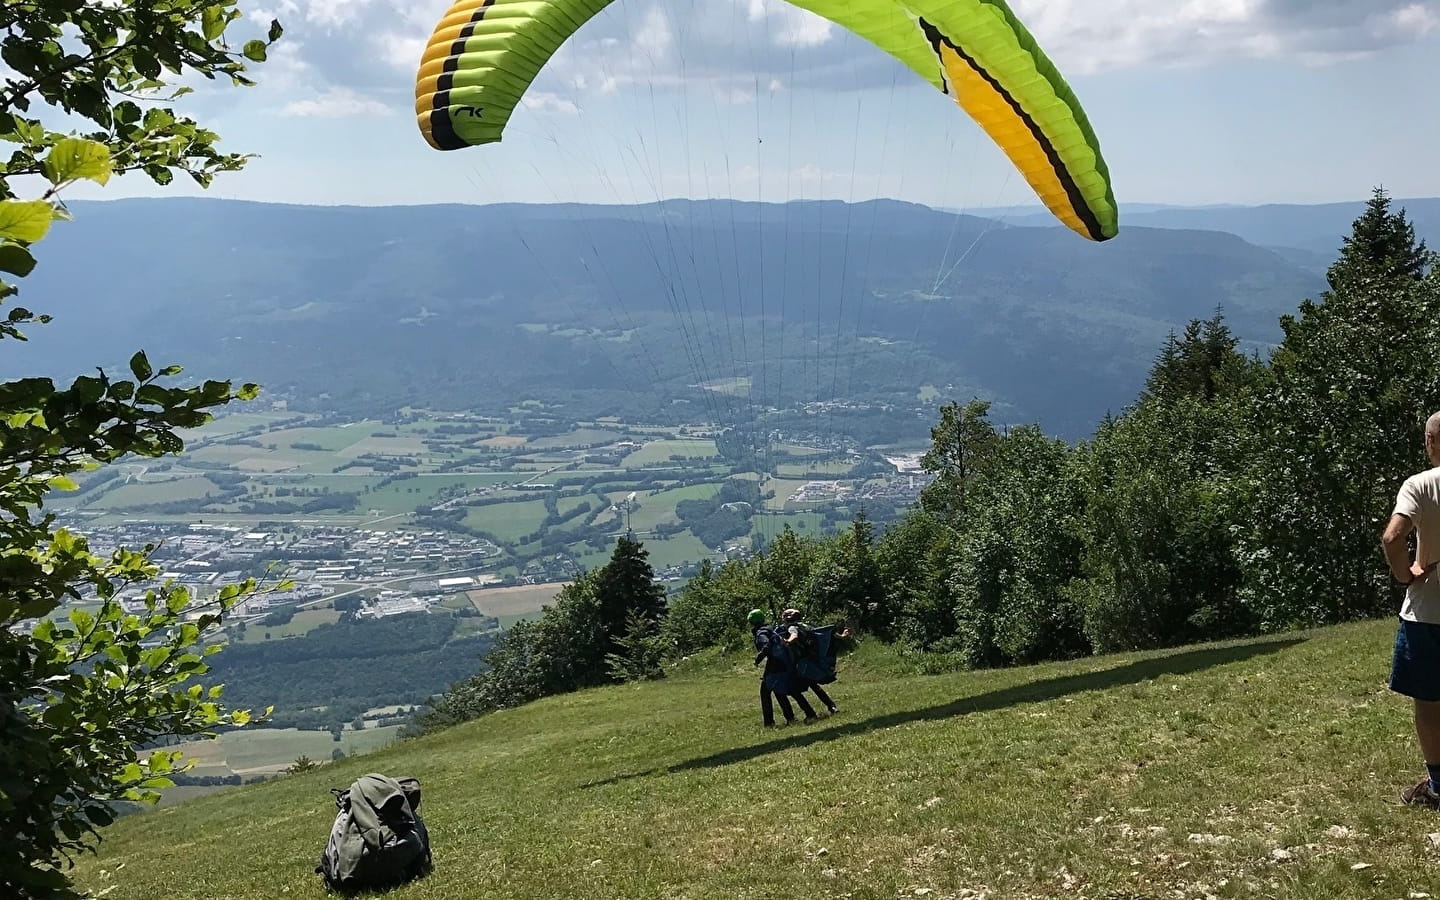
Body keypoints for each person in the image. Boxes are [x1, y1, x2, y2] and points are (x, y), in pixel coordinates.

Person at [1382, 411, 1440, 809]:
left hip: (1429, 612)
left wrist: (1407, 573)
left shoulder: (1420, 485)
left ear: (1431, 442)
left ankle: (1438, 783)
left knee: (1429, 700)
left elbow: (1393, 536)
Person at [750, 608, 816, 726]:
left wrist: (758, 659)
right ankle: (798, 716)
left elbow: (766, 647)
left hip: (775, 663)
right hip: (785, 661)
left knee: (766, 691)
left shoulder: (761, 633)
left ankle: (769, 722)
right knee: (786, 689)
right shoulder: (769, 629)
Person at [778, 607, 845, 715]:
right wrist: (842, 636)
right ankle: (831, 706)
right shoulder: (805, 626)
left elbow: (794, 636)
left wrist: (788, 641)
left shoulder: (792, 628)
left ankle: (810, 714)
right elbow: (820, 634)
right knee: (814, 685)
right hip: (810, 660)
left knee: (794, 690)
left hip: (801, 664)